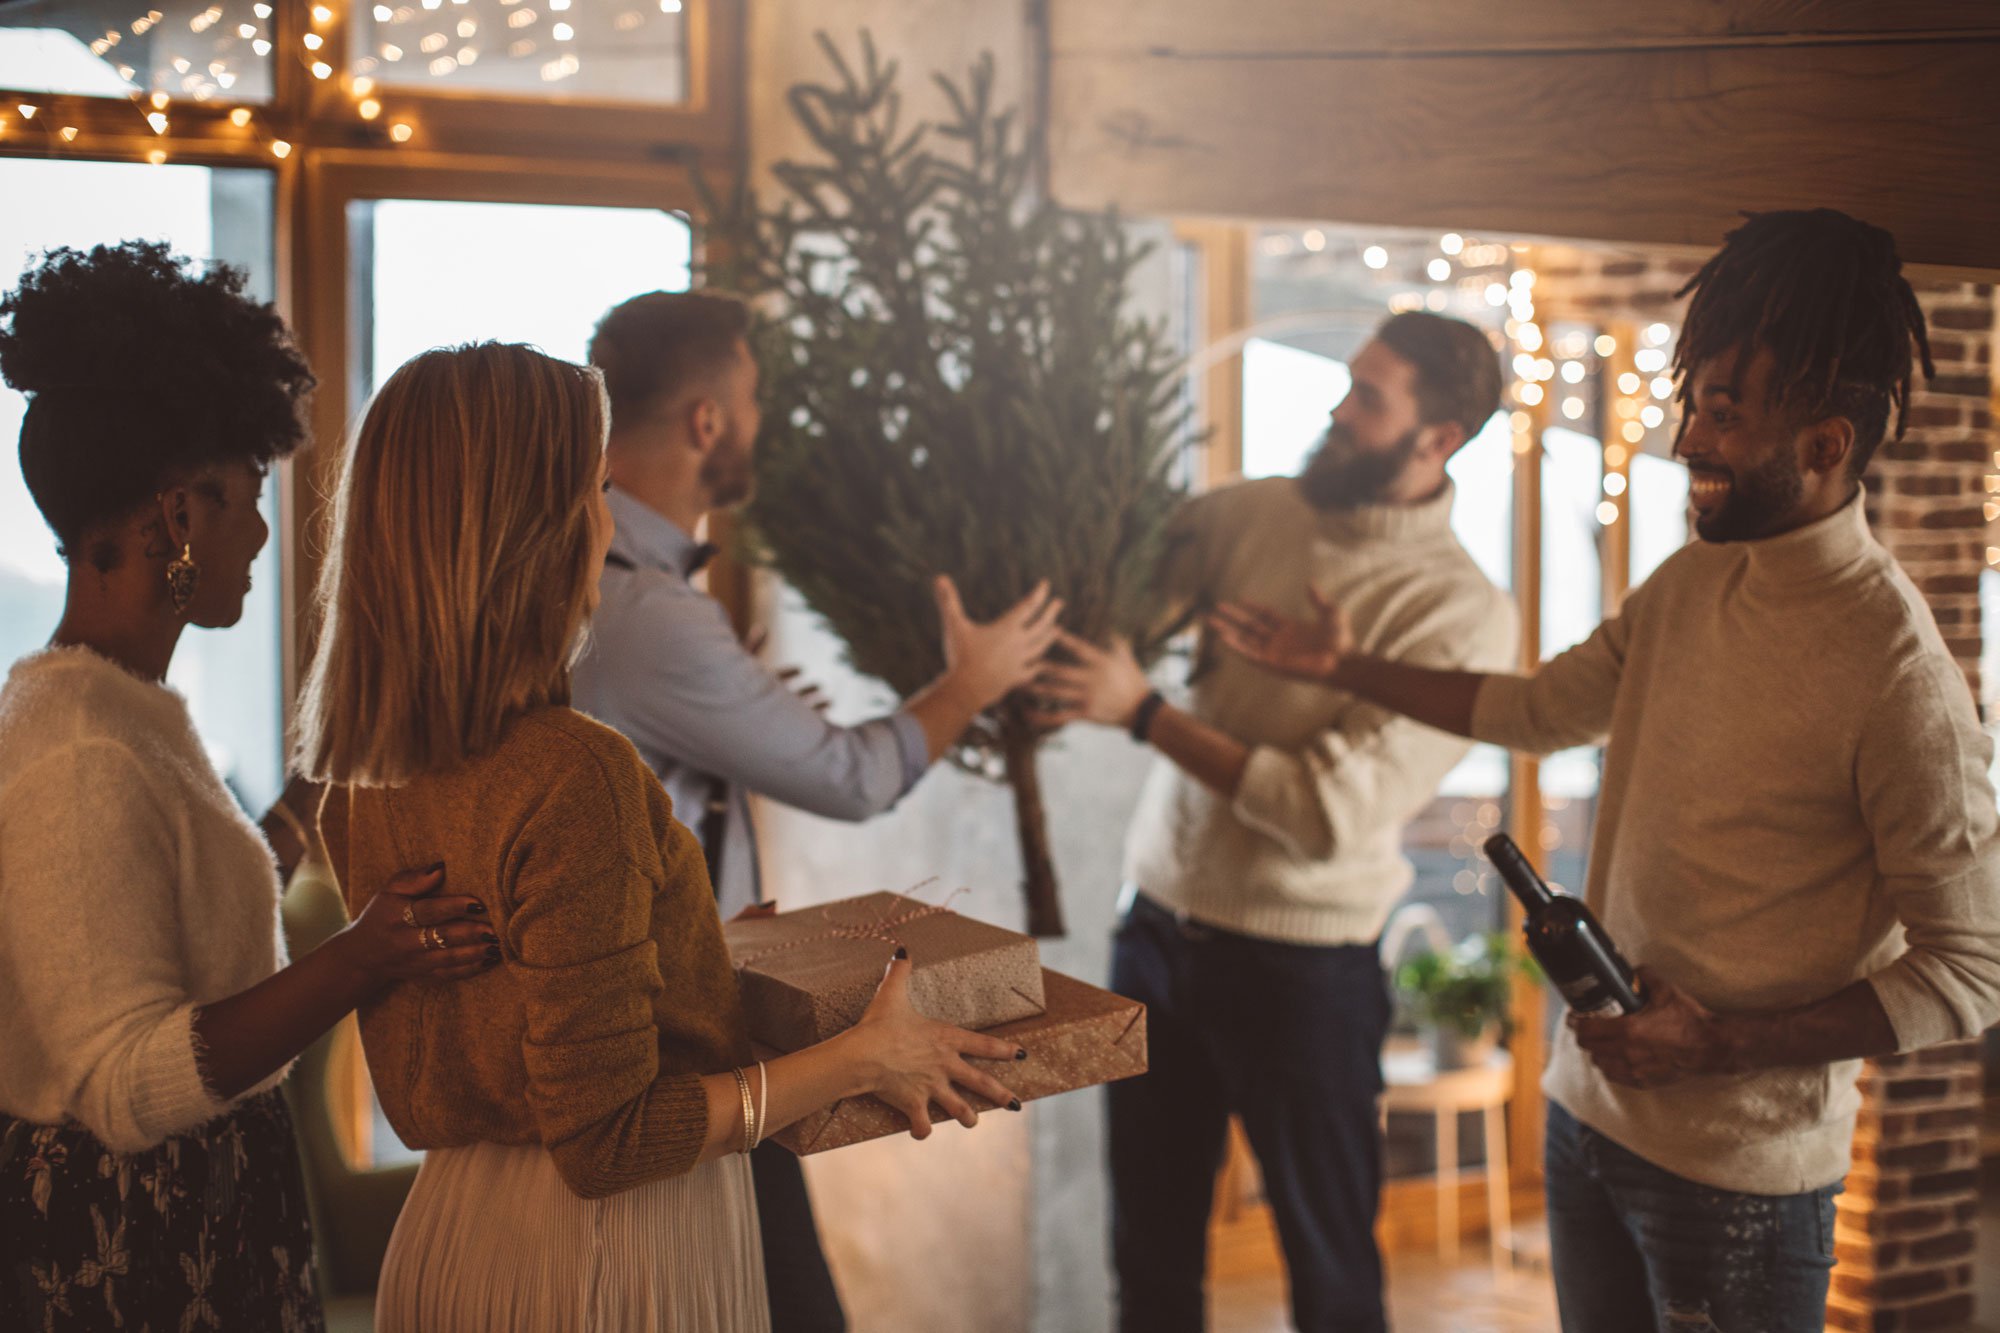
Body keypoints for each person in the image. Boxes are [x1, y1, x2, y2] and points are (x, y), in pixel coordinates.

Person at [1212, 209, 2000, 1333]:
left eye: (1724, 414)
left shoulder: (1898, 675)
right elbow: (1532, 711)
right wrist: (1342, 665)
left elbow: (1973, 969)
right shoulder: (1692, 580)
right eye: (1693, 401)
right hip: (1581, 1122)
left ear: (1825, 444)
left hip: (1737, 1185)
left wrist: (1721, 1043)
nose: (1686, 440)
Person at [296, 340, 1029, 1333]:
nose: (604, 521)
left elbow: (522, 995)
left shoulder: (361, 771)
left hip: (458, 1226)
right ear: (536, 530)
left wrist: (689, 945)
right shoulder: (572, 769)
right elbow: (609, 1137)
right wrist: (869, 1059)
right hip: (606, 1255)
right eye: (588, 490)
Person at [0, 241, 494, 1332]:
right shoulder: (78, 750)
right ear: (178, 514)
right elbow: (127, 1088)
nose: (265, 534)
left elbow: (187, 920)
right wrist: (366, 953)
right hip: (131, 1251)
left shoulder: (122, 710)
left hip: (201, 1211)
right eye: (250, 496)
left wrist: (331, 763)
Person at [574, 289, 1062, 1332]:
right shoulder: (648, 610)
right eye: (753, 398)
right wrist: (970, 680)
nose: (764, 423)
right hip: (676, 1048)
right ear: (708, 419)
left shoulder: (615, 582)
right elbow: (851, 778)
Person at [1034, 312, 1516, 1333]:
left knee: (1329, 1272)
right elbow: (1114, 599)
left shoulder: (1462, 611)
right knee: (1147, 1254)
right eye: (1347, 383)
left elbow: (1326, 812)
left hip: (1302, 973)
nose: (1337, 410)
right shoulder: (1248, 515)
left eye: (1368, 398)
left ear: (1439, 438)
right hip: (1154, 934)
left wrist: (1145, 713)